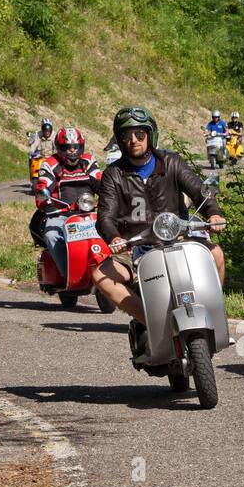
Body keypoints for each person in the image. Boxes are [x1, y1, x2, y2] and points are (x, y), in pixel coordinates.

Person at [92, 106, 225, 326]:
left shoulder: (171, 162)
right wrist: (114, 238)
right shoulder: (113, 174)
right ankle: (152, 323)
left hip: (178, 238)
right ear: (120, 140)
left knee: (216, 254)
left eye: (140, 134)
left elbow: (199, 190)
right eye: (126, 135)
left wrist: (213, 213)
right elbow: (105, 215)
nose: (134, 140)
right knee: (101, 277)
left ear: (150, 135)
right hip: (135, 247)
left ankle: (214, 317)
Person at [31, 126, 103, 281]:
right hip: (62, 214)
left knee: (114, 229)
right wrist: (47, 203)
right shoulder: (50, 164)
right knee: (51, 235)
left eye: (75, 147)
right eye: (67, 148)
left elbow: (100, 182)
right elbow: (42, 187)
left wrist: (109, 196)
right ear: (59, 148)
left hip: (89, 213)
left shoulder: (88, 160)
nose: (72, 151)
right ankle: (67, 274)